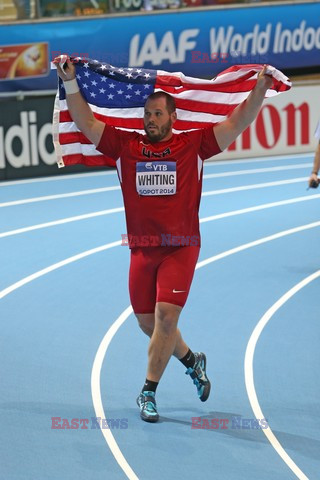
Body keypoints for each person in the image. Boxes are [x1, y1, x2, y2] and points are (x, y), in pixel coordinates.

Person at [55, 57, 273, 423]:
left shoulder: (195, 144)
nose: (150, 119)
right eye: (147, 114)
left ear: (173, 117)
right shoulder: (126, 145)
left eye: (157, 114)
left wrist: (260, 90)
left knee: (166, 319)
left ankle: (148, 393)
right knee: (147, 324)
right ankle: (192, 360)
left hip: (181, 246)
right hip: (141, 248)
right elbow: (85, 122)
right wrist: (72, 83)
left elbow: (237, 122)